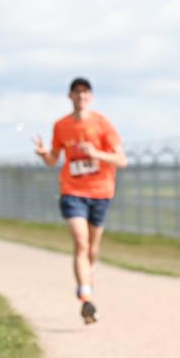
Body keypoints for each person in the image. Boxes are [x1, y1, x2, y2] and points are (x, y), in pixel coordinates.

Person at [33, 77, 127, 324]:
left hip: (101, 192)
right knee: (81, 243)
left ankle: (88, 276)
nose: (81, 97)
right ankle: (86, 297)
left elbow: (122, 160)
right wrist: (44, 155)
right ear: (70, 97)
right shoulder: (61, 126)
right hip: (73, 191)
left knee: (93, 248)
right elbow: (54, 159)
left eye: (85, 93)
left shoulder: (102, 124)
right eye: (77, 93)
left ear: (91, 97)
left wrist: (95, 153)